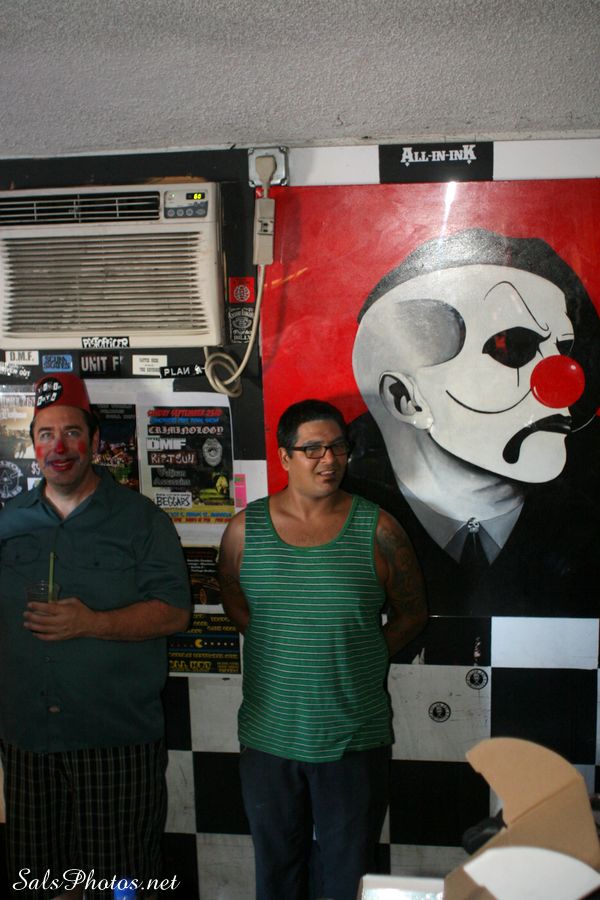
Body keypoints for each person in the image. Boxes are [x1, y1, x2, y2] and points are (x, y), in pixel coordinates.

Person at [218, 399, 426, 900]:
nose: (329, 459)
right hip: (269, 737)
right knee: (277, 875)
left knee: (347, 878)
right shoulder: (244, 531)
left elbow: (412, 614)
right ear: (284, 457)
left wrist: (362, 653)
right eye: (312, 448)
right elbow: (235, 604)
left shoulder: (379, 529)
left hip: (353, 738)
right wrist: (289, 643)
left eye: (337, 447)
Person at [0, 373, 192, 900]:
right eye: (45, 434)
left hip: (114, 738)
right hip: (27, 740)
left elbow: (175, 613)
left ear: (95, 441)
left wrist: (92, 623)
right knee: (40, 884)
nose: (58, 447)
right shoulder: (9, 521)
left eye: (71, 432)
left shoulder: (142, 521)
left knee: (120, 885)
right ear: (33, 444)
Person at [349, 228, 600, 617]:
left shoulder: (588, 514)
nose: (563, 384)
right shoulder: (339, 520)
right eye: (514, 347)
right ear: (406, 398)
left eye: (563, 349)